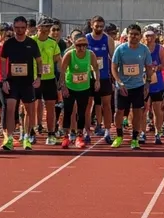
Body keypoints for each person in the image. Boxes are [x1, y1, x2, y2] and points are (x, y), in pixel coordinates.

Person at [0, 16, 42, 151]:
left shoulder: (32, 43)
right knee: (10, 108)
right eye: (17, 28)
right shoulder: (8, 44)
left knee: (29, 110)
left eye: (22, 28)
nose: (20, 30)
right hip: (12, 82)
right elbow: (3, 63)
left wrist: (39, 77)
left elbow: (39, 61)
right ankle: (8, 137)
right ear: (14, 28)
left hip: (27, 82)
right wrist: (3, 80)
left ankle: (26, 136)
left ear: (26, 28)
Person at [111, 24, 153, 149]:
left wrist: (147, 83)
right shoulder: (120, 49)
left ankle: (135, 138)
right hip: (122, 86)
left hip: (138, 86)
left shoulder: (144, 49)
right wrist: (119, 82)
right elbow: (113, 67)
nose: (134, 36)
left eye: (136, 34)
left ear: (140, 36)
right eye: (131, 34)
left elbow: (149, 67)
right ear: (127, 35)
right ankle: (119, 136)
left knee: (137, 113)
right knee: (119, 112)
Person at [60, 32, 100, 148]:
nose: (82, 48)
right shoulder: (69, 55)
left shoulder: (90, 54)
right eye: (79, 45)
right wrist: (63, 87)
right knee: (68, 111)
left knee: (82, 112)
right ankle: (66, 136)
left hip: (84, 87)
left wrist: (97, 81)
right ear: (74, 45)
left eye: (84, 45)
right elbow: (62, 71)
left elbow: (96, 68)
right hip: (70, 87)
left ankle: (79, 136)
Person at [33, 18, 63, 146]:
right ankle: (30, 132)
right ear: (38, 27)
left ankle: (51, 134)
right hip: (34, 79)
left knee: (50, 107)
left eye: (48, 27)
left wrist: (61, 77)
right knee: (31, 107)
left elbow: (58, 60)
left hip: (49, 78)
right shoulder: (32, 41)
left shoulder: (52, 43)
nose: (46, 29)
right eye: (44, 27)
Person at [86, 15, 115, 143]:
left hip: (104, 77)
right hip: (89, 77)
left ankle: (107, 132)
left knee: (106, 105)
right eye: (97, 26)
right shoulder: (86, 39)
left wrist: (114, 78)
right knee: (87, 105)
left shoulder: (107, 39)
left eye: (101, 26)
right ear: (91, 25)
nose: (99, 28)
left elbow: (113, 59)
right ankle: (86, 132)